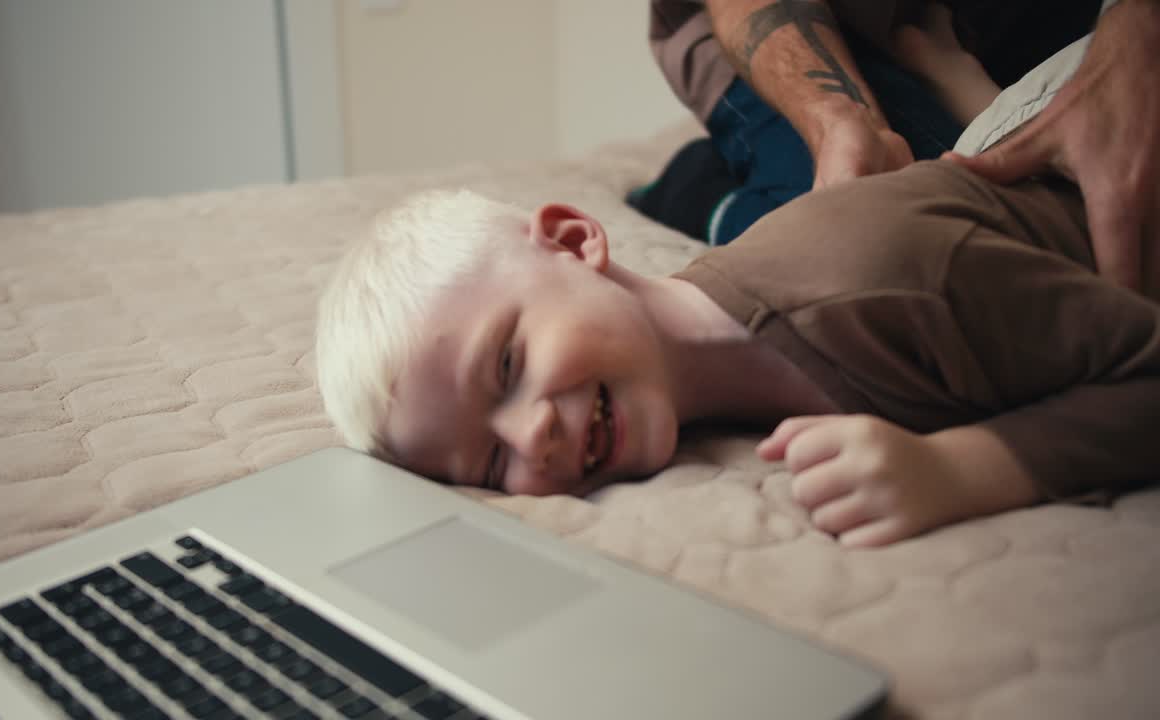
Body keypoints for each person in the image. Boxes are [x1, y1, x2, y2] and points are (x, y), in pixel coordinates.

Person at [315, 143, 1160, 548]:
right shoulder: (704, 380)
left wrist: (964, 470)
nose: (529, 437)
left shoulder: (882, 284)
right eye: (490, 469)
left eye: (506, 366)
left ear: (577, 242)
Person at [641, 0, 1159, 296]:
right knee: (899, 257)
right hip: (794, 20)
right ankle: (700, 187)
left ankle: (957, 81)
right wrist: (840, 121)